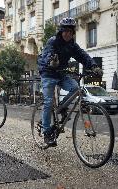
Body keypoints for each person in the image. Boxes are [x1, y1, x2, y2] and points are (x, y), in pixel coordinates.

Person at [37, 17, 103, 147]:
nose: (68, 33)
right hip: (48, 73)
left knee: (75, 88)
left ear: (73, 32)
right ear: (61, 31)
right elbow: (47, 54)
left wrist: (94, 66)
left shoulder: (72, 45)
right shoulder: (53, 41)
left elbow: (82, 56)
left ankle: (62, 107)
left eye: (70, 31)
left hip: (61, 73)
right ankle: (47, 132)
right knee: (49, 102)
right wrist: (52, 60)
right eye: (65, 31)